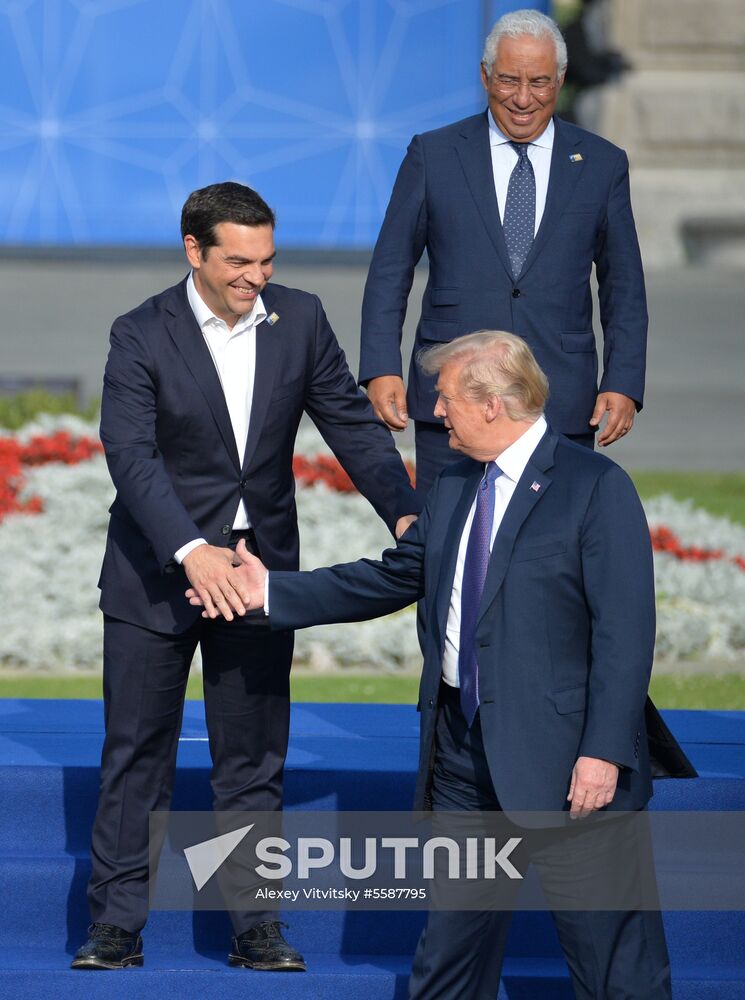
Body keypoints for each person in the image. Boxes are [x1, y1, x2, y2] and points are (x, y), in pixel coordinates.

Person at [202, 331, 676, 998]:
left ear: (490, 403)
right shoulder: (454, 487)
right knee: (448, 958)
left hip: (569, 764)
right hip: (460, 755)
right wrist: (270, 591)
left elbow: (626, 636)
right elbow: (390, 577)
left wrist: (601, 753)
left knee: (612, 965)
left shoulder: (593, 486)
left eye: (446, 399)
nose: (436, 413)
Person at [71, 181, 421, 972]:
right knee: (136, 756)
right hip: (155, 577)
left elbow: (351, 424)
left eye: (265, 259)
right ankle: (116, 926)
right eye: (237, 260)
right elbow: (131, 457)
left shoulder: (298, 319)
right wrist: (193, 550)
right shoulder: (139, 333)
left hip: (261, 579)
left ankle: (255, 926)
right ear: (193, 250)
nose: (254, 275)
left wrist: (404, 512)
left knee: (253, 760)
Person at [360, 8, 647, 497]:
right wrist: (380, 367)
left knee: (550, 559)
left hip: (560, 396)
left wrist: (623, 381)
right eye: (509, 80)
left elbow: (623, 286)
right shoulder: (433, 154)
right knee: (446, 549)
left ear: (560, 79)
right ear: (484, 75)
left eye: (539, 83)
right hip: (454, 397)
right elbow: (391, 270)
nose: (522, 98)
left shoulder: (601, 164)